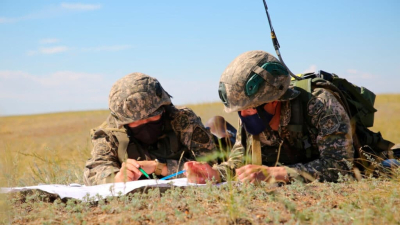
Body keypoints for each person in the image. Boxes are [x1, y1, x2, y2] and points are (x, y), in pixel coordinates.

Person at [184, 50, 355, 184]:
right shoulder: (249, 110)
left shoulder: (319, 105)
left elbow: (341, 166)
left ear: (274, 100)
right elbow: (239, 162)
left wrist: (277, 173)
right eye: (240, 111)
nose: (243, 116)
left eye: (250, 110)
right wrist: (216, 173)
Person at [83, 72, 218, 185]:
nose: (145, 124)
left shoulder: (182, 120)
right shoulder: (110, 133)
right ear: (122, 122)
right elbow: (93, 172)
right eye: (136, 121)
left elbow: (209, 164)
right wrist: (116, 177)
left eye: (152, 117)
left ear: (163, 109)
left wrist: (159, 168)